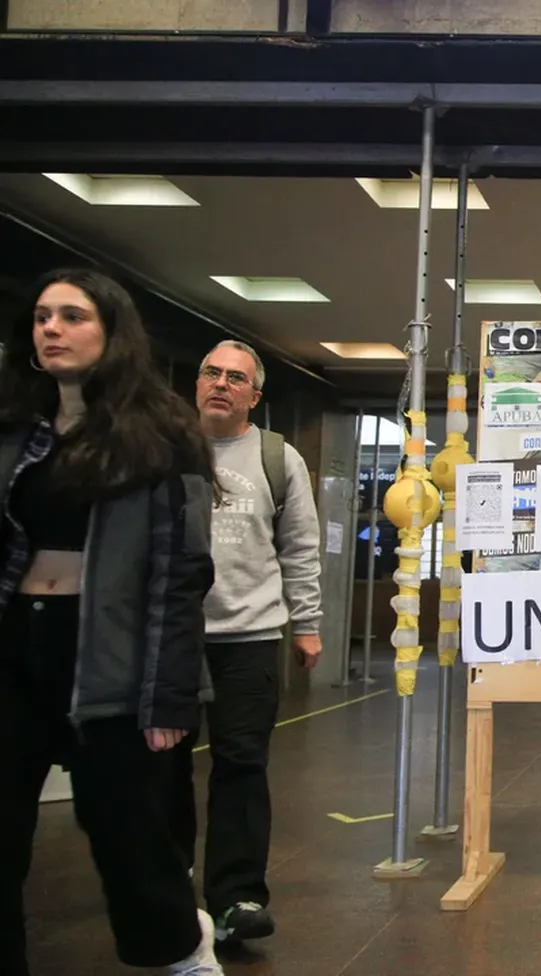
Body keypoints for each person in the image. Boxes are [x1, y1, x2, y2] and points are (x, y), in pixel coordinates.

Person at [0, 268, 223, 975]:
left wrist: (169, 695)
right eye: (42, 318)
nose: (52, 330)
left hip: (109, 656)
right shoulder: (13, 431)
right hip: (16, 645)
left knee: (128, 836)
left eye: (71, 316)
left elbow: (181, 572)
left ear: (112, 332)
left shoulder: (160, 437)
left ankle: (184, 954)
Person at [175, 339, 323, 946]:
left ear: (254, 396)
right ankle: (167, 888)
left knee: (240, 768)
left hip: (250, 638)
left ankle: (236, 898)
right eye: (211, 372)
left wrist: (307, 622)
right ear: (197, 383)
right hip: (171, 638)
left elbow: (300, 545)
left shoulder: (275, 457)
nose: (221, 383)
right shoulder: (161, 449)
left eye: (235, 378)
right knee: (161, 771)